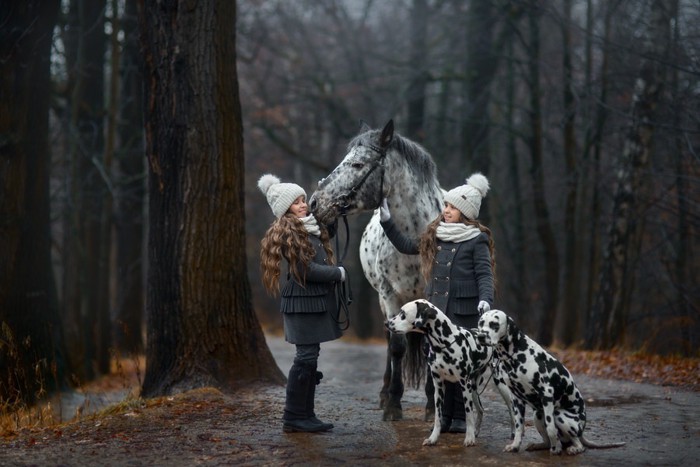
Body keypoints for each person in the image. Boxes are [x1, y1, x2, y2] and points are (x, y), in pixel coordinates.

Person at [379, 172, 496, 434]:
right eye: (445, 205)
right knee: (442, 364)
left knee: (462, 366)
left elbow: (484, 274)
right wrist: (387, 223)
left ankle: (460, 418)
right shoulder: (437, 234)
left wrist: (486, 301)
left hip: (465, 311)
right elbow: (407, 245)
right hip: (438, 311)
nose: (446, 210)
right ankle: (443, 417)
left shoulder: (477, 239)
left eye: (452, 207)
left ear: (465, 213)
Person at [258, 174, 346, 433]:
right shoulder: (290, 232)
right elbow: (305, 269)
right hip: (301, 303)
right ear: (285, 208)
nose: (303, 205)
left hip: (310, 303)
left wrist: (331, 202)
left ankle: (305, 415)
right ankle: (294, 416)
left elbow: (327, 230)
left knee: (310, 357)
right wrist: (338, 273)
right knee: (305, 358)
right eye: (296, 203)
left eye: (303, 200)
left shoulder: (307, 228)